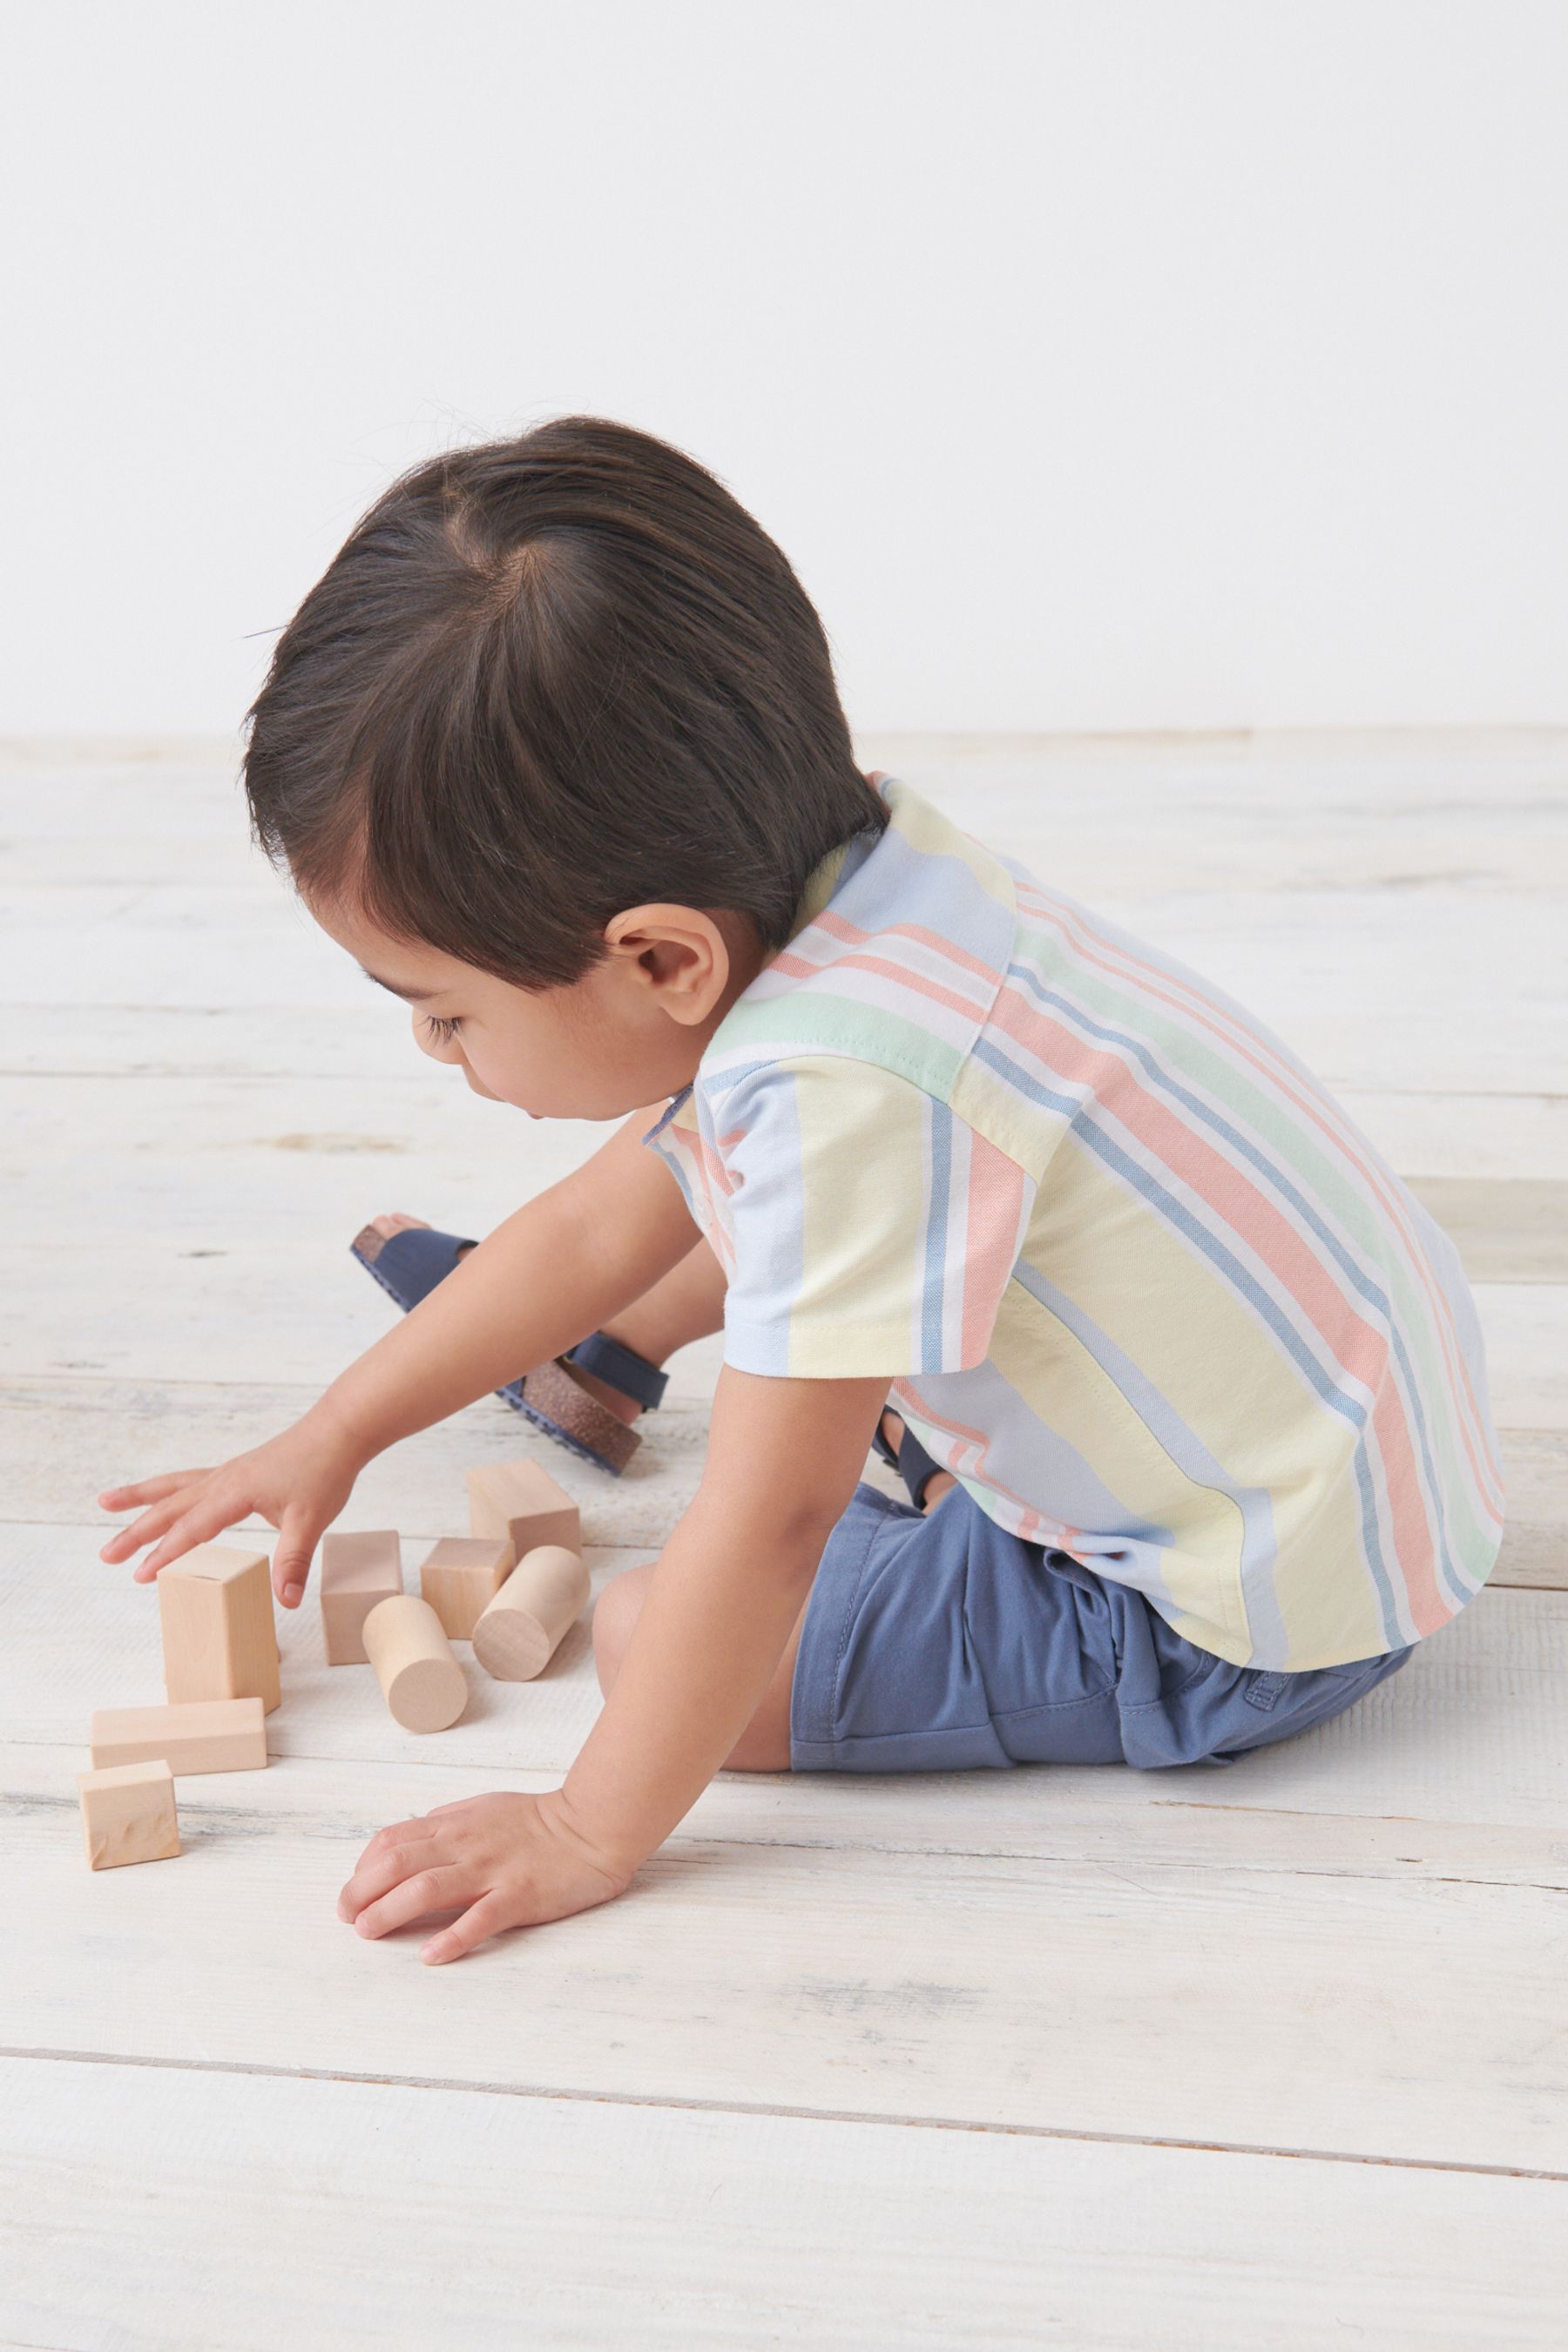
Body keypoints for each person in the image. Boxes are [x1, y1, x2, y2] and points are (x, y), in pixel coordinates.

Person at [96, 417, 1505, 1963]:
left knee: (644, 1634)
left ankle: (931, 1512)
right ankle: (651, 1371)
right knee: (726, 1216)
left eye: (443, 1010)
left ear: (658, 958)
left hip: (1239, 1624)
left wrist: (584, 1826)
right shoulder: (870, 876)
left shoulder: (843, 1099)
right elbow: (590, 1224)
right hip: (1356, 1453)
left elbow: (770, 1520)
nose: (439, 1053)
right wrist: (334, 1434)